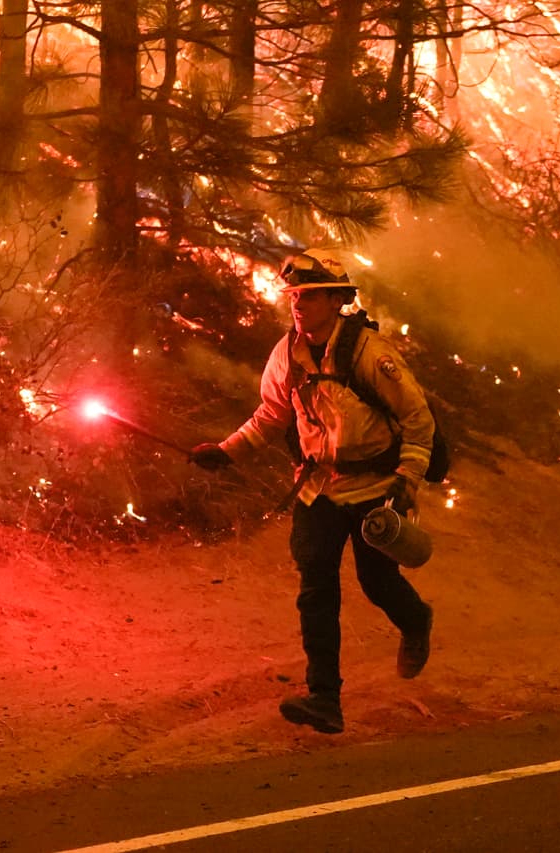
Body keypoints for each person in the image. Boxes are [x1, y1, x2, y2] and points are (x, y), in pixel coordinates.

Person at [190, 248, 435, 735]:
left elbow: (417, 420)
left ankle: (415, 620)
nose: (297, 304)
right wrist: (227, 451)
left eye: (308, 296)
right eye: (294, 296)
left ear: (337, 299)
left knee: (377, 582)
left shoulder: (370, 354)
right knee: (316, 593)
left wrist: (407, 481)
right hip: (317, 489)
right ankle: (325, 698)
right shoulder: (287, 354)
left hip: (375, 489)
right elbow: (271, 415)